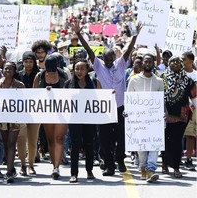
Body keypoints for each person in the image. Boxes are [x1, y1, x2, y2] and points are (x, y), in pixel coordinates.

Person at [71, 19, 142, 176]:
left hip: (120, 107)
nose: (109, 63)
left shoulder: (121, 63)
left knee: (121, 136)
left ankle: (120, 159)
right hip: (104, 108)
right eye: (107, 60)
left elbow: (129, 50)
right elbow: (88, 49)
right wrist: (78, 34)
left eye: (111, 60)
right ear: (103, 58)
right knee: (104, 139)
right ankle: (110, 165)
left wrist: (135, 36)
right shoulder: (98, 65)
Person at [127, 53, 164, 183]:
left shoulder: (159, 81)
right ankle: (143, 167)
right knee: (141, 146)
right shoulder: (134, 80)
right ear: (142, 63)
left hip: (154, 120)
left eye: (150, 62)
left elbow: (161, 101)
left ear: (154, 63)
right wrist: (127, 112)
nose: (148, 64)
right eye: (145, 62)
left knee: (154, 145)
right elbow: (129, 99)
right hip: (139, 120)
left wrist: (163, 114)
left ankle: (151, 170)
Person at [64, 58, 102, 183]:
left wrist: (109, 94)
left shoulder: (94, 82)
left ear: (87, 70)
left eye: (82, 69)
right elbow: (61, 99)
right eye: (77, 69)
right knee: (75, 144)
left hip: (89, 118)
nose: (79, 71)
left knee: (89, 144)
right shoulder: (68, 84)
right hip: (74, 119)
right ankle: (74, 173)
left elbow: (102, 98)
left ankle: (89, 170)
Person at [33, 55, 68, 179]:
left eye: (53, 70)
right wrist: (44, 92)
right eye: (48, 70)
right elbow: (34, 94)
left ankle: (57, 167)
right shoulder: (40, 76)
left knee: (59, 138)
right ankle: (54, 164)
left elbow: (70, 91)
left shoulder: (64, 75)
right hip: (46, 112)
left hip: (62, 112)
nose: (51, 72)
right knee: (50, 140)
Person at [161, 56, 197, 178]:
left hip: (182, 116)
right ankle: (165, 164)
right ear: (168, 64)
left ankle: (176, 167)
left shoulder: (188, 80)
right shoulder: (161, 78)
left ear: (181, 65)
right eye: (172, 62)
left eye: (178, 62)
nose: (175, 64)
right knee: (165, 139)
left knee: (177, 141)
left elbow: (194, 97)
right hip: (164, 115)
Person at [0, 61, 25, 183]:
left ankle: (8, 172)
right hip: (2, 118)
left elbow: (23, 101)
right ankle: (11, 167)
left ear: (14, 71)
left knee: (11, 144)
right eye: (6, 69)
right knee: (6, 143)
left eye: (10, 69)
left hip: (15, 118)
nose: (8, 71)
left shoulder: (20, 85)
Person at [17, 51, 41, 176]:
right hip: (20, 112)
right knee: (21, 139)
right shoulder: (18, 74)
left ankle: (31, 164)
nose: (28, 64)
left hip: (35, 111)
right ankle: (22, 165)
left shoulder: (40, 75)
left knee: (32, 140)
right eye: (26, 61)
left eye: (30, 61)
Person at [181, 52, 197, 171]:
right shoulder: (178, 74)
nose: (181, 62)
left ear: (191, 61)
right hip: (182, 108)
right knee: (179, 134)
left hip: (194, 109)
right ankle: (177, 157)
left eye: (184, 59)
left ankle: (189, 159)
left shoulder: (196, 75)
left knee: (190, 135)